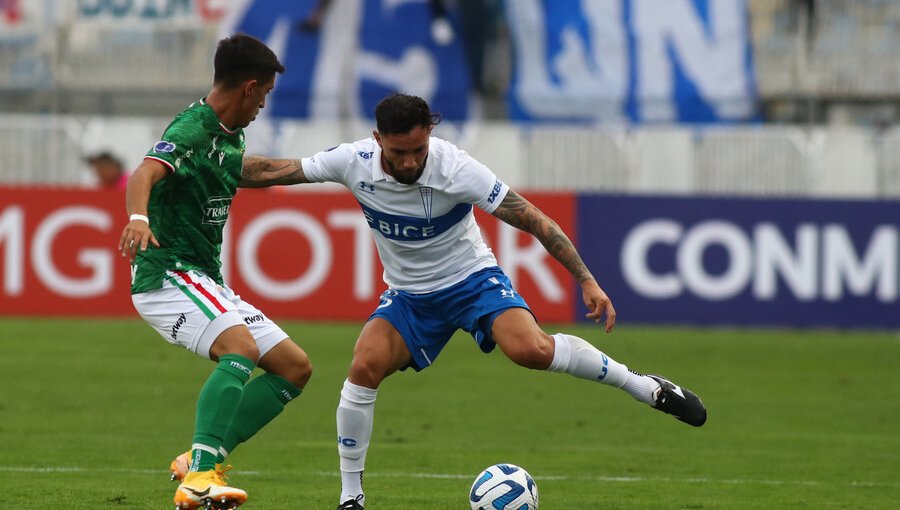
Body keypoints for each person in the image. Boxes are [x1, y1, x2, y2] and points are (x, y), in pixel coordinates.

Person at [240, 93, 707, 510]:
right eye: (398, 152)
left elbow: (532, 219)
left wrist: (586, 279)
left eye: (418, 151)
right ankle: (350, 499)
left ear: (431, 136)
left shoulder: (456, 169)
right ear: (377, 138)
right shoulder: (351, 161)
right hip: (410, 297)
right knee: (363, 367)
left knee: (533, 351)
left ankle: (644, 386)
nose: (408, 163)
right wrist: (198, 166)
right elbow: (275, 170)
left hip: (471, 281)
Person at [118, 33, 312, 510]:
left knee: (293, 368)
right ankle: (200, 480)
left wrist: (333, 168)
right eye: (264, 94)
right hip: (167, 273)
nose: (263, 104)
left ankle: (199, 459)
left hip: (203, 276)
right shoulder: (193, 129)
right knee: (240, 348)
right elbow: (145, 171)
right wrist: (138, 219)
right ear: (249, 87)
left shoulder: (229, 135)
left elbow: (249, 170)